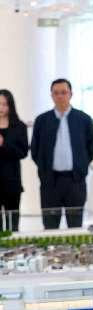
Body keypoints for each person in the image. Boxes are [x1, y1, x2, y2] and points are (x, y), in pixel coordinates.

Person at [30, 79, 93, 229]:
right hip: (50, 182)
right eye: (56, 93)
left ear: (71, 94)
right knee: (50, 226)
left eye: (64, 92)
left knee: (75, 226)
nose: (60, 96)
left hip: (75, 181)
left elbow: (90, 148)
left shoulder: (83, 119)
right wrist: (44, 170)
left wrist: (81, 166)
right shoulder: (42, 120)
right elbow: (35, 150)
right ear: (51, 96)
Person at [0, 89, 29, 232]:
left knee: (13, 226)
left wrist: (3, 144)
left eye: (4, 104)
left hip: (12, 183)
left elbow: (23, 152)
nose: (1, 108)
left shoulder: (19, 126)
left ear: (10, 105)